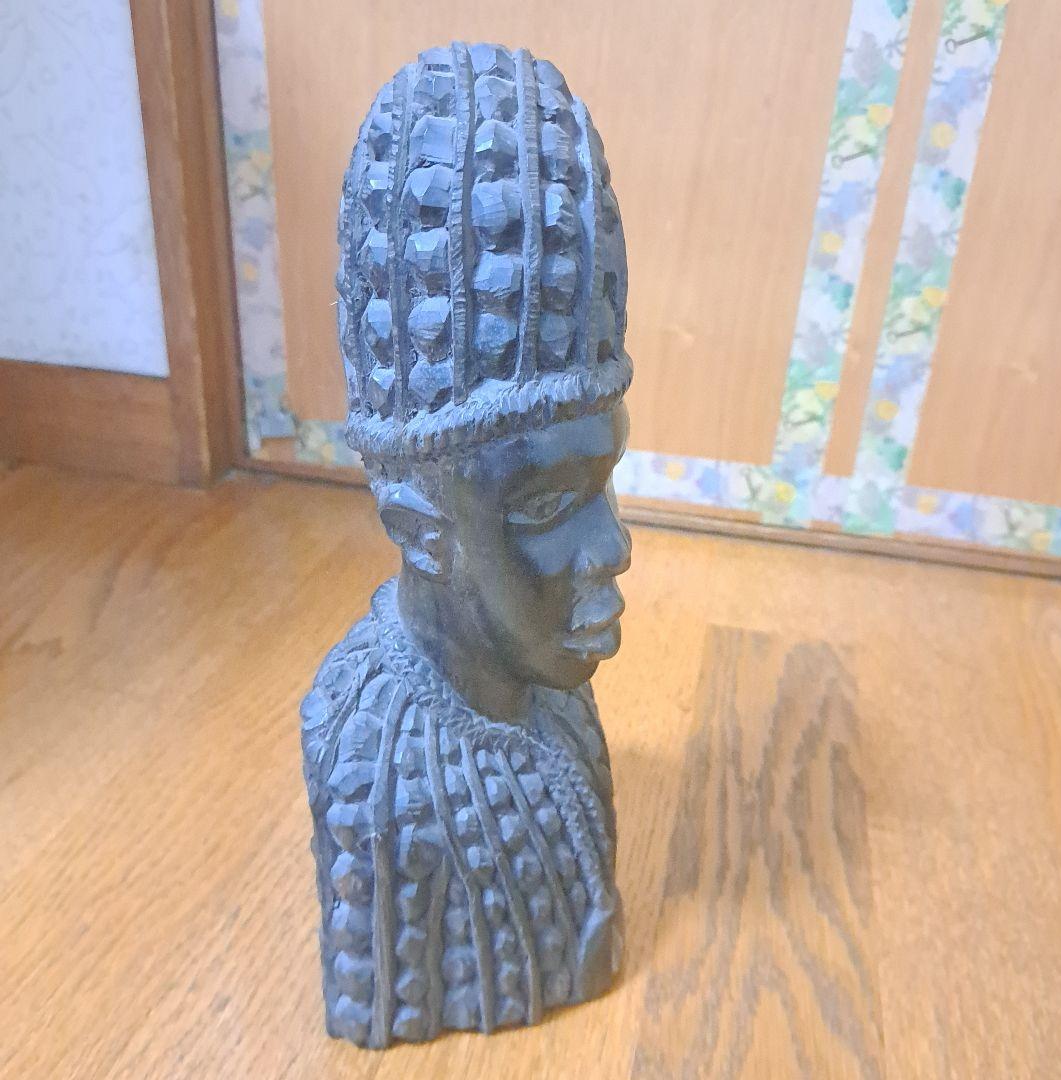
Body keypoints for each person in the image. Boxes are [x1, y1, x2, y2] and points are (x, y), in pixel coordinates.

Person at [301, 40, 633, 1048]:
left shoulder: (556, 690)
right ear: (419, 528)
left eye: (605, 483)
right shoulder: (377, 776)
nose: (614, 545)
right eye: (546, 505)